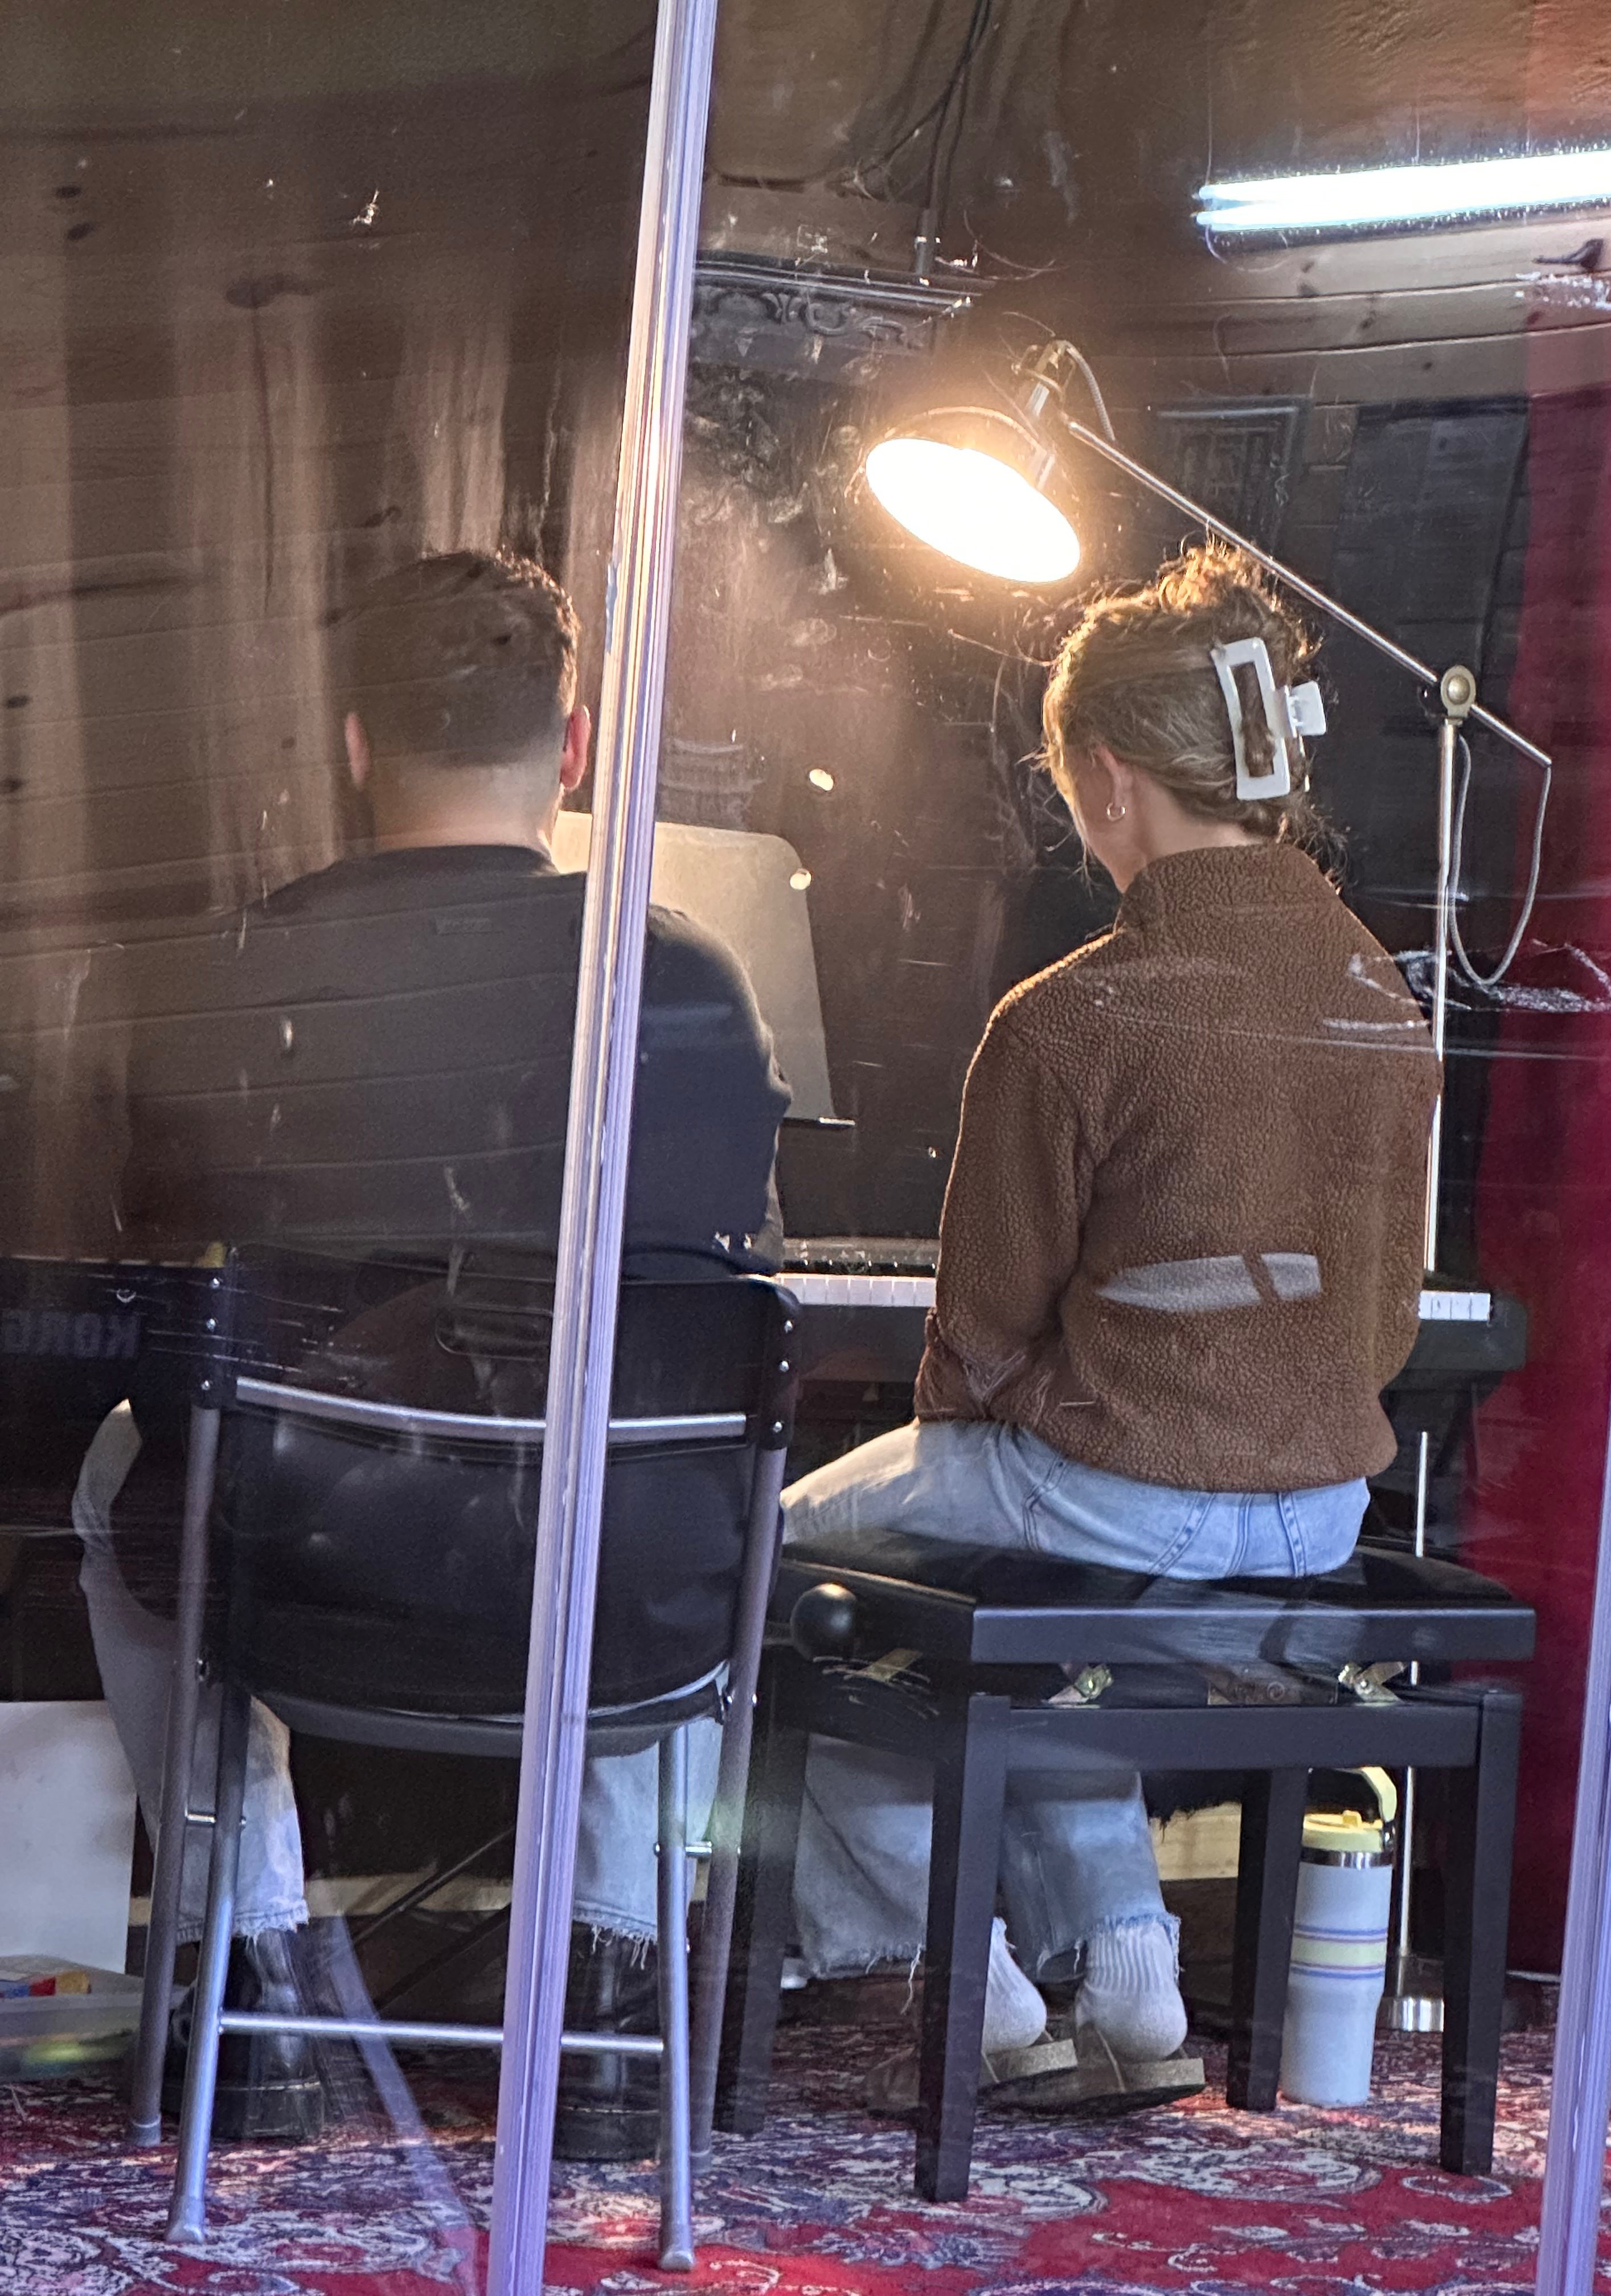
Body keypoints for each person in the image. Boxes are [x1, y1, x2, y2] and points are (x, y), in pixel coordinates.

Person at [70, 550, 789, 2146]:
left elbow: (167, 1299)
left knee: (130, 1465)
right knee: (655, 1452)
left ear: (352, 747)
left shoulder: (227, 981)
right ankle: (608, 2003)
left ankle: (243, 1979)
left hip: (318, 1576)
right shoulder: (677, 985)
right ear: (578, 746)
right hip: (604, 1598)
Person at [779, 541, 1439, 2109]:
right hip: (1322, 1506)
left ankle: (976, 1991)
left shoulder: (1073, 1012)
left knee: (785, 1566)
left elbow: (982, 1341)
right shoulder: (1380, 999)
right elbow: (1389, 1322)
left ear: (1112, 778)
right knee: (1025, 1616)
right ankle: (1130, 1975)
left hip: (1128, 1486)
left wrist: (1026, 1415)